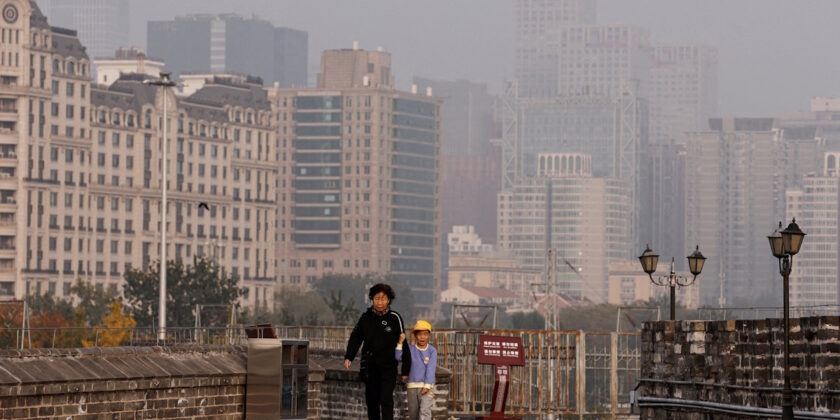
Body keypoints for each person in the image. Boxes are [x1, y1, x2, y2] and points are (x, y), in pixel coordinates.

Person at [344, 283, 410, 420]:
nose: (380, 302)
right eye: (377, 299)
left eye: (383, 299)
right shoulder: (365, 318)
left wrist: (405, 369)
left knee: (386, 400)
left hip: (388, 368)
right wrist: (349, 356)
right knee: (372, 401)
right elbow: (356, 337)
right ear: (372, 299)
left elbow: (403, 343)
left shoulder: (394, 318)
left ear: (389, 300)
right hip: (370, 367)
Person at [396, 320, 437, 420]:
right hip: (412, 385)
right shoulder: (410, 349)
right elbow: (398, 357)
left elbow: (431, 369)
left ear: (429, 335)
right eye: (419, 334)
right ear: (415, 336)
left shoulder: (432, 351)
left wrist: (427, 386)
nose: (422, 337)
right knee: (413, 414)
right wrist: (400, 343)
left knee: (425, 412)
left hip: (427, 386)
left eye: (425, 334)